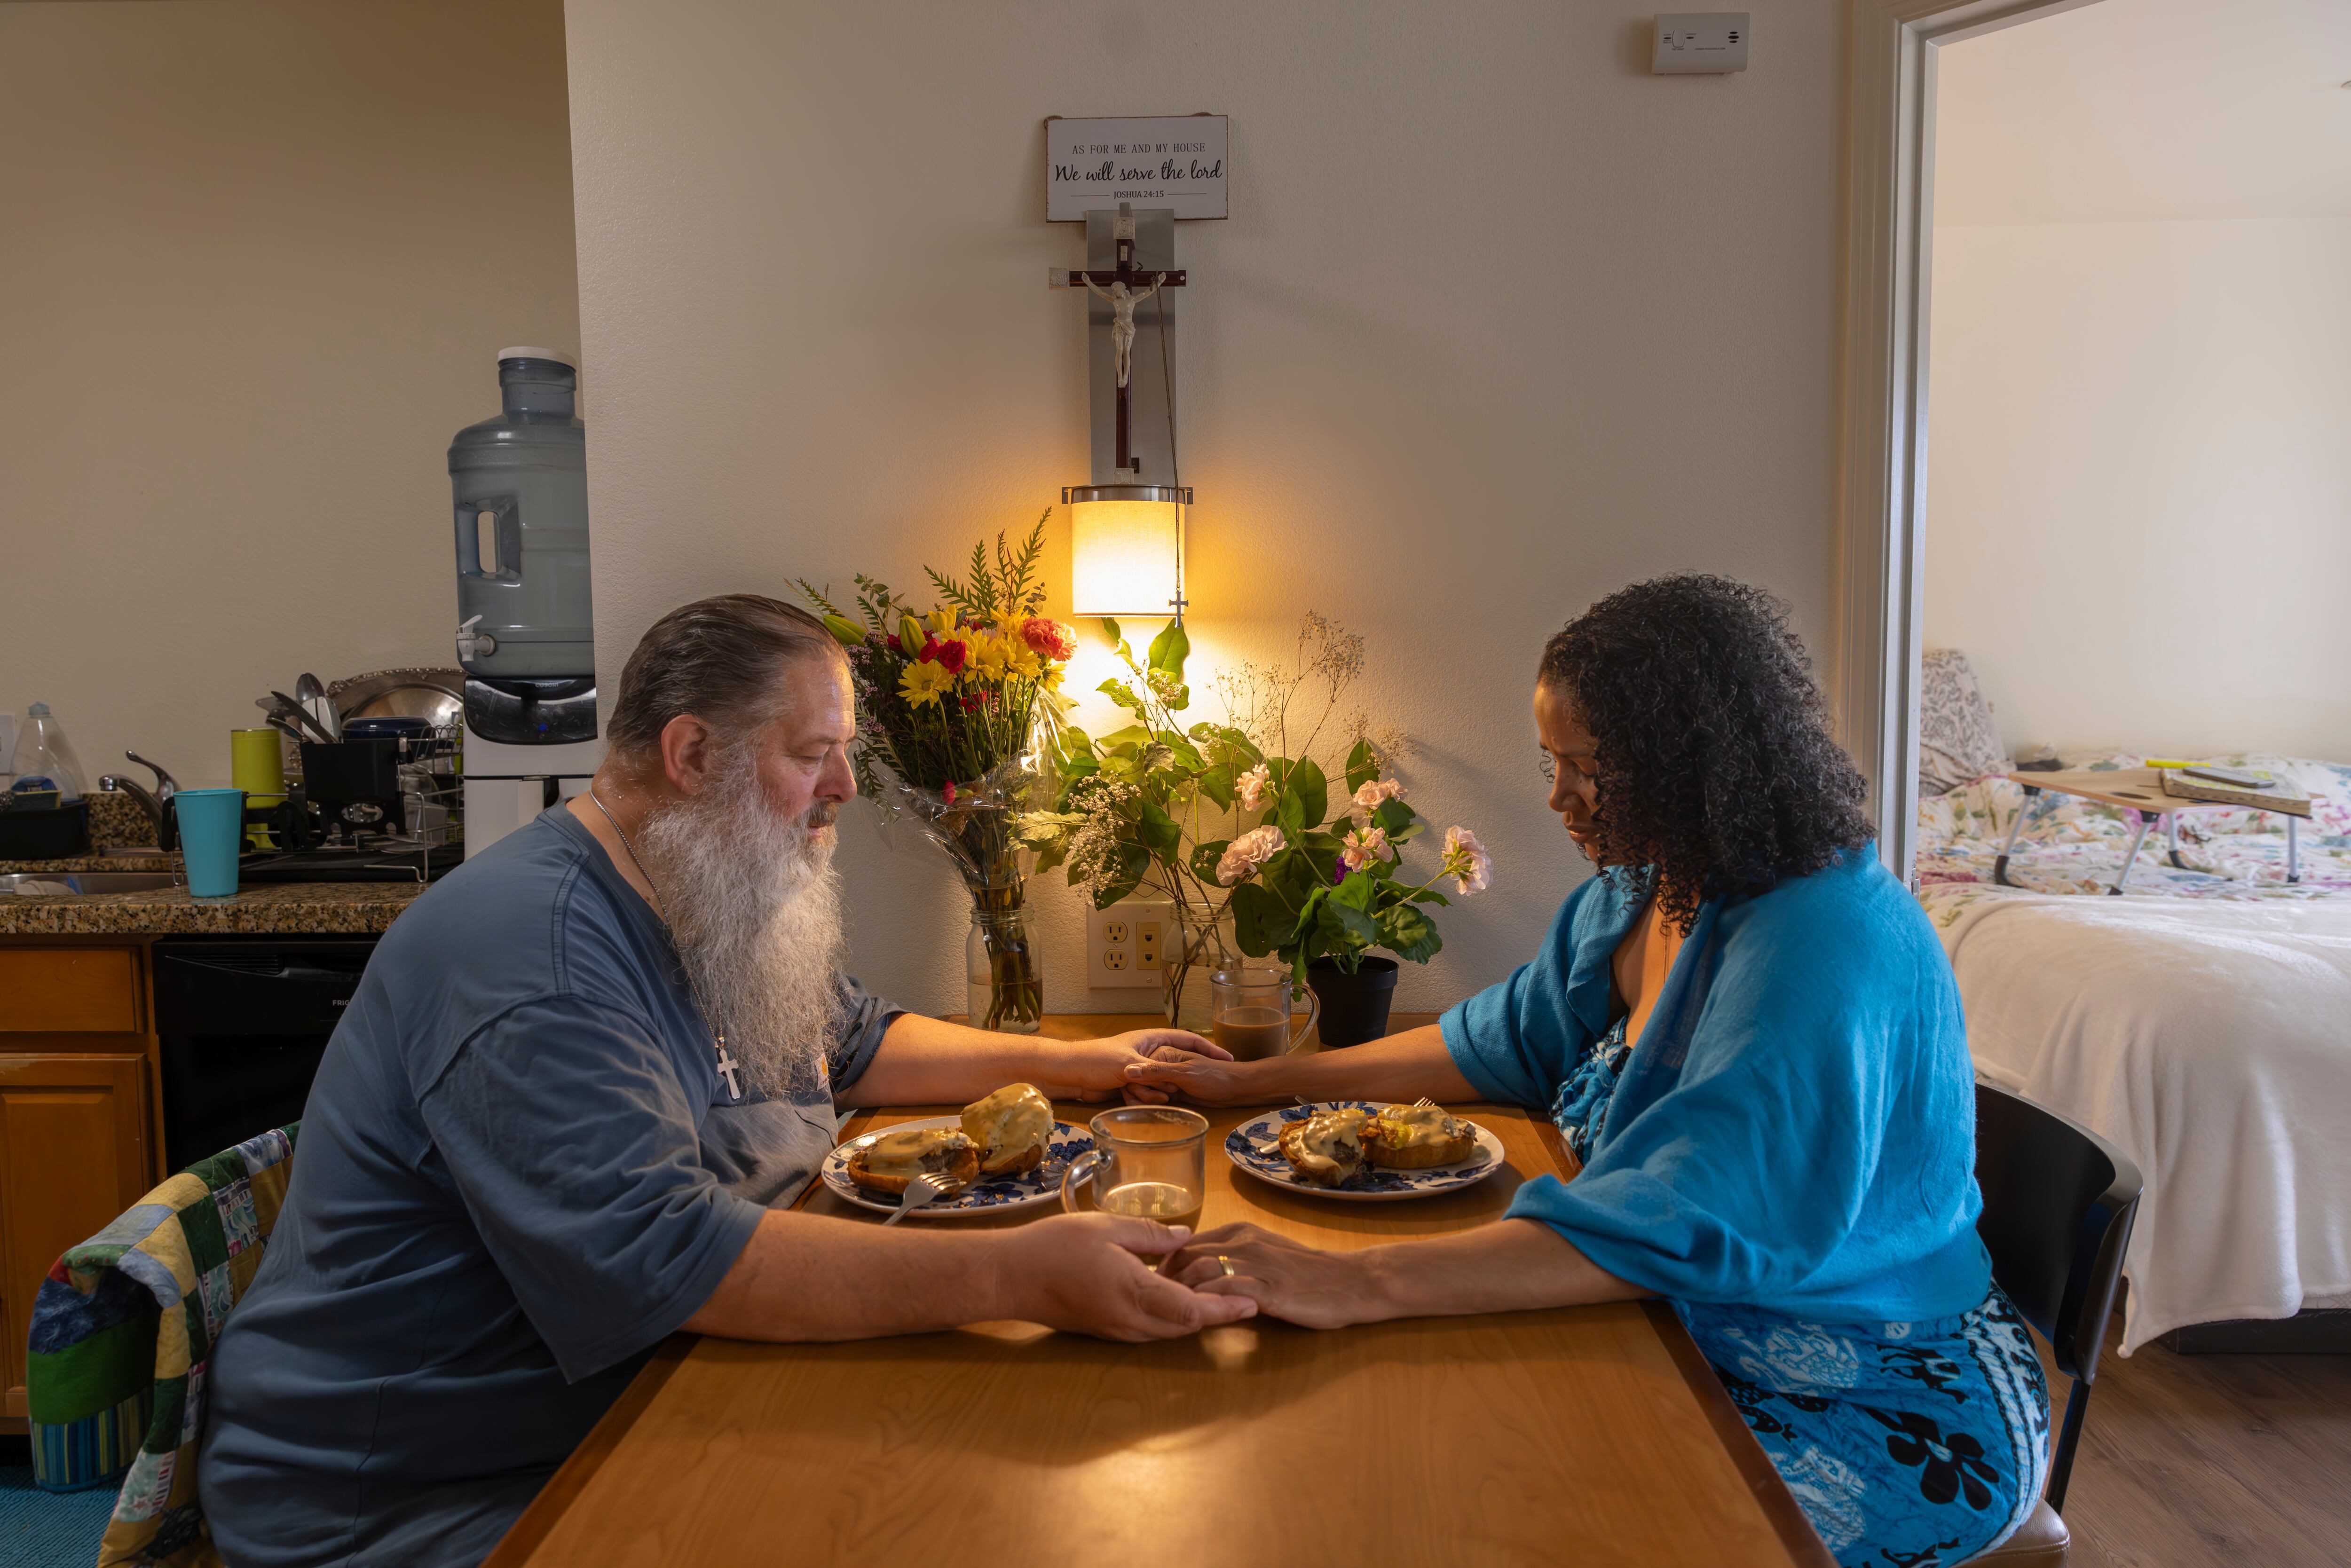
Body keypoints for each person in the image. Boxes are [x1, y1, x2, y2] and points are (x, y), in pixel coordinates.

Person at [199, 594, 1252, 1568]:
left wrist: (1082, 1062)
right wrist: (1016, 1276)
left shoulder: (692, 883)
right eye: (816, 754)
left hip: (649, 1399)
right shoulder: (538, 961)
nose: (843, 788)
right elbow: (660, 1261)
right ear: (693, 753)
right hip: (417, 1497)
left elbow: (848, 1044)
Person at [1132, 575, 2051, 1568]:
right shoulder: (1648, 888)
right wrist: (1251, 1085)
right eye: (1550, 763)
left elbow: (1687, 1216)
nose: (1558, 797)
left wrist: (1360, 1282)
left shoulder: (1822, 938)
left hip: (1878, 1387)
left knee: (1531, 1517)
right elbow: (1502, 1040)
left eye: (1585, 768)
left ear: (1689, 764)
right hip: (1688, 1319)